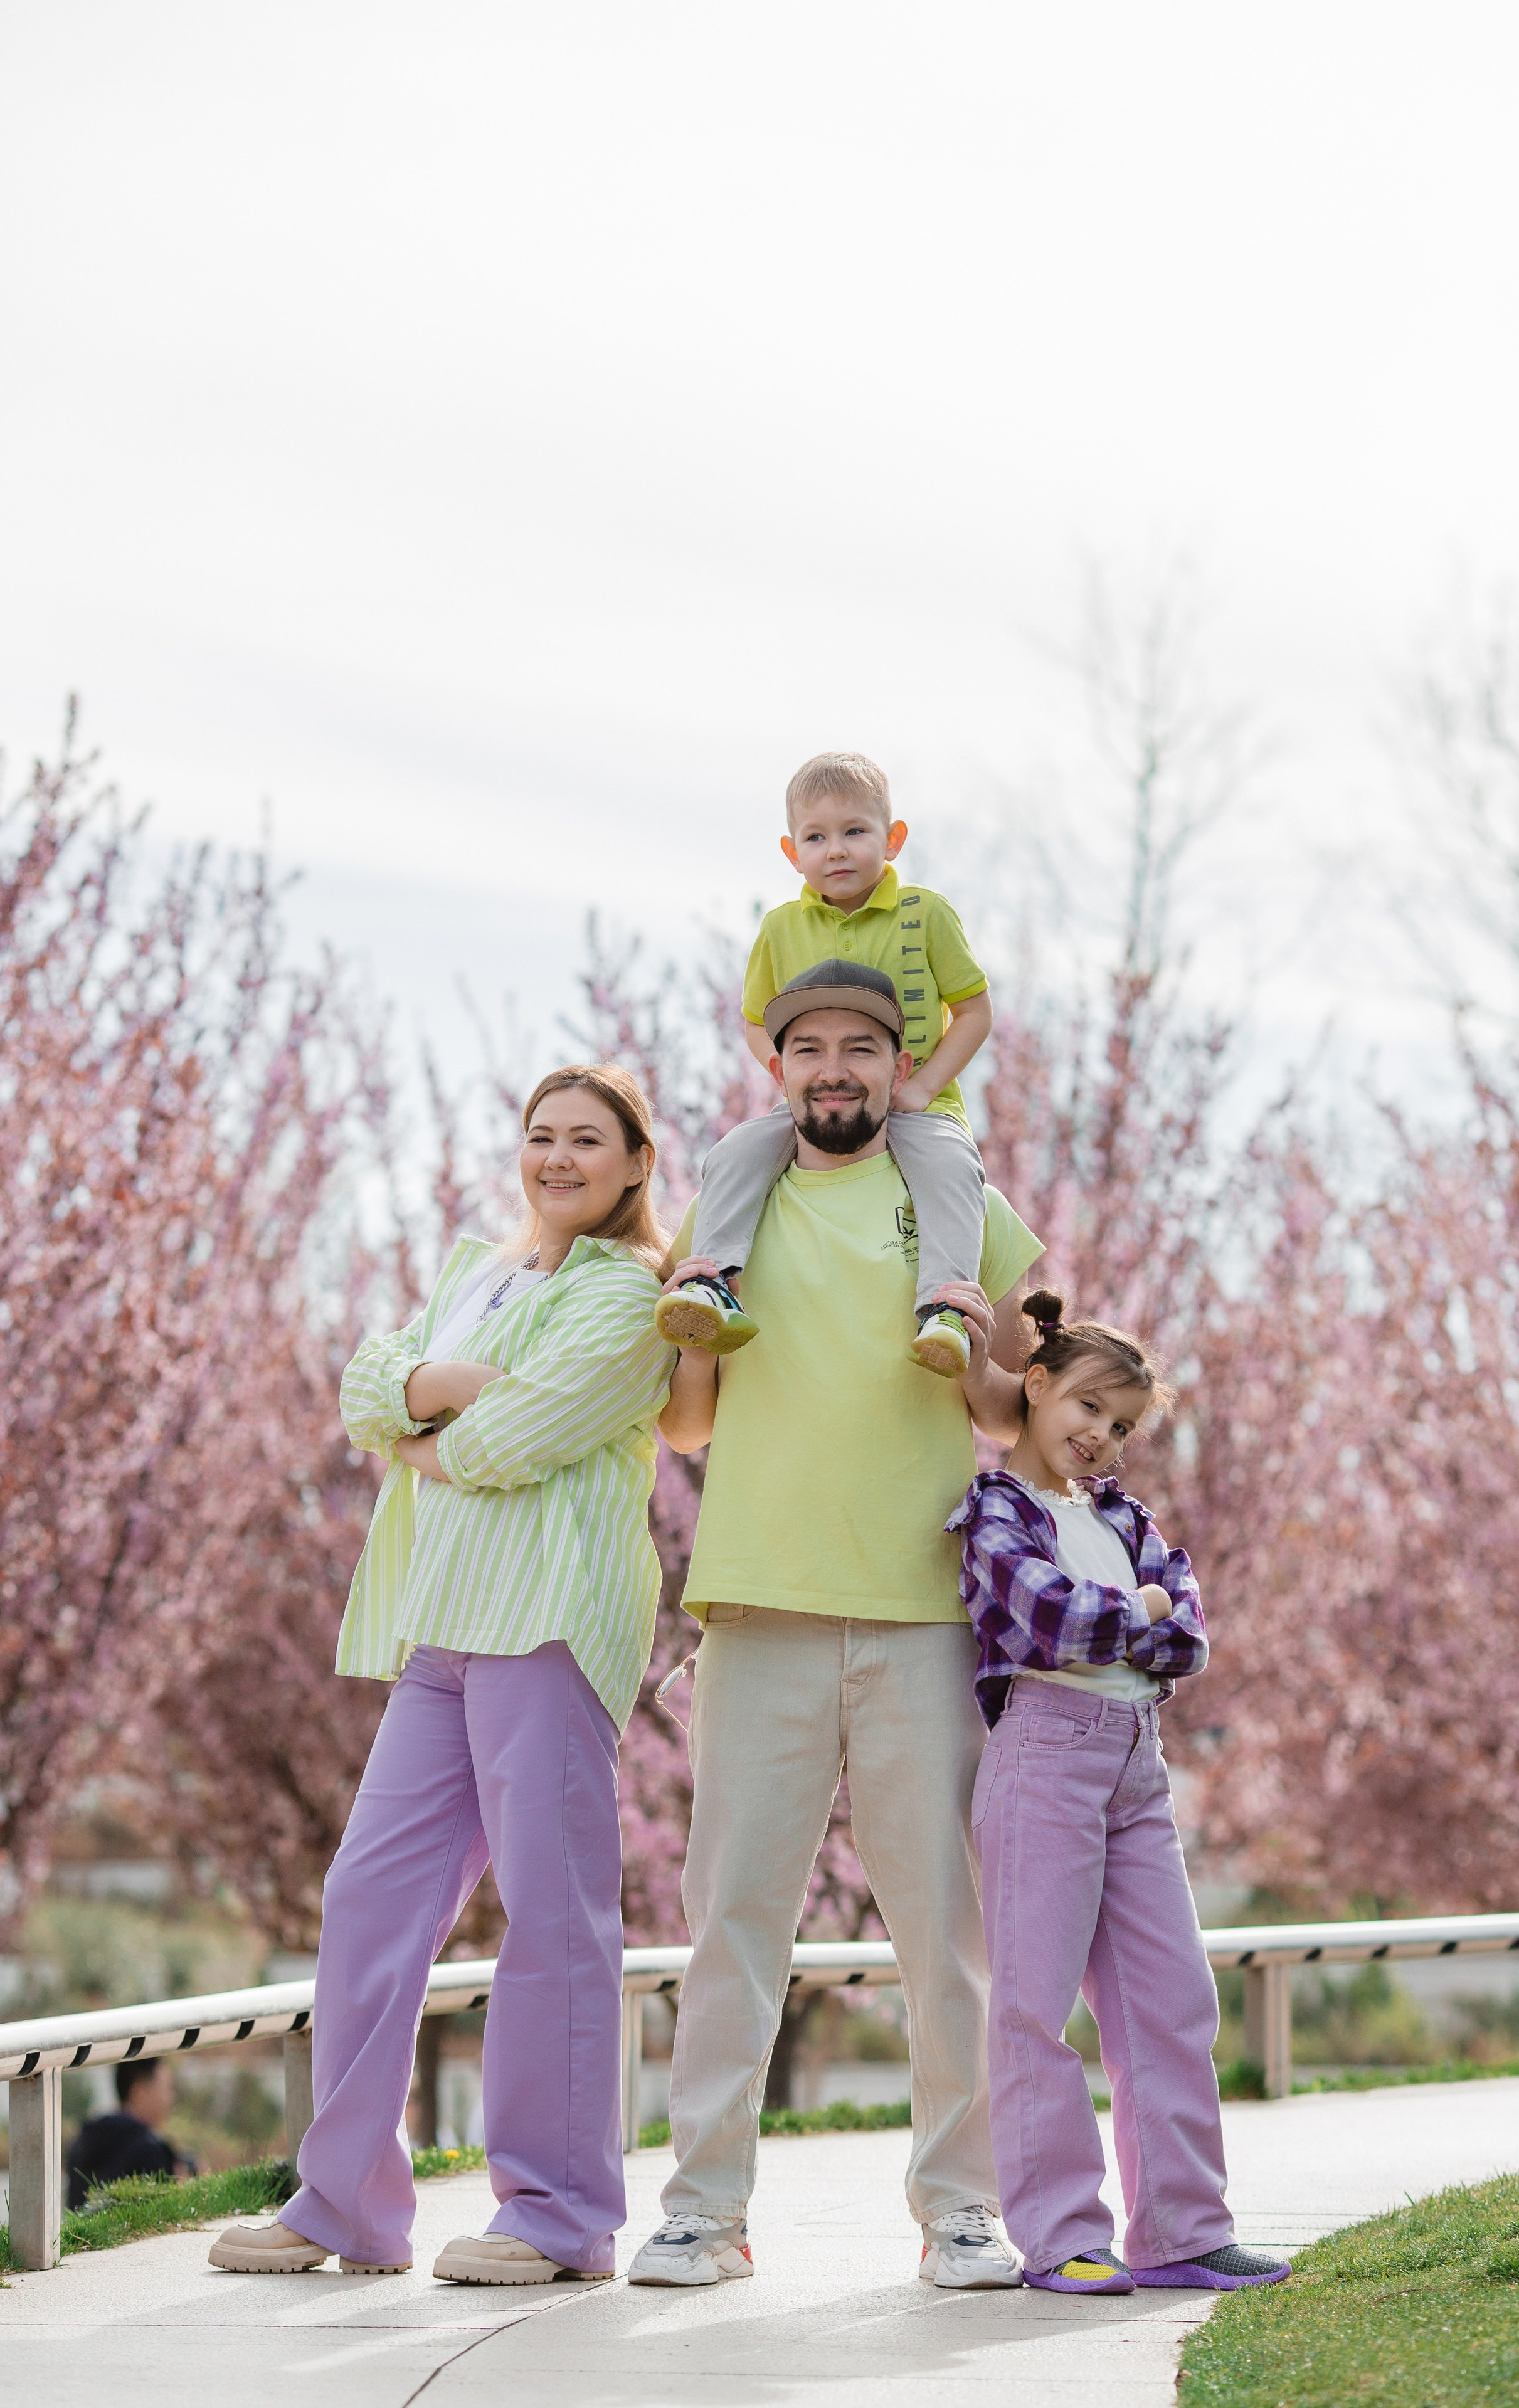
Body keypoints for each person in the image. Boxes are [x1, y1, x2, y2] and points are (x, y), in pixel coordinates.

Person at [209, 1065, 674, 2285]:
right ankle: (347, 2203)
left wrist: (434, 1420)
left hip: (551, 1623)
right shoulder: (478, 1269)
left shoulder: (634, 1294)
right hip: (444, 1627)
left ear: (635, 1161)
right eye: (540, 1136)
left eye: (588, 1139)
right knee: (367, 1901)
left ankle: (560, 2215)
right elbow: (366, 1390)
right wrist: (446, 1402)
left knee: (551, 1921)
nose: (558, 1157)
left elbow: (522, 1437)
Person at [628, 959, 1044, 2292]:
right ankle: (702, 2211)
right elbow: (687, 1424)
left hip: (923, 1612)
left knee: (943, 1933)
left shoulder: (953, 1192)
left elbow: (1007, 1408)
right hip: (757, 1606)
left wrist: (985, 1347)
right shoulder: (733, 1195)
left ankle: (961, 2211)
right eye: (808, 1046)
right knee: (732, 1926)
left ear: (895, 1059)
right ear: (780, 1066)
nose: (833, 1069)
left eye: (859, 1046)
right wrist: (689, 1327)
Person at [945, 1293, 1291, 2294]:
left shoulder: (1125, 1517)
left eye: (1123, 1425)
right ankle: (1061, 2234)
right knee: (1035, 2006)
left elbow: (1186, 1636)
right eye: (1088, 1407)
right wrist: (1134, 1608)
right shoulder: (997, 1507)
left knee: (1172, 1999)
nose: (1100, 1436)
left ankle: (1183, 2230)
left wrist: (1137, 1612)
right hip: (1044, 1757)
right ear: (1037, 1387)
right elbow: (1043, 1619)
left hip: (1138, 1763)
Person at [655, 751, 993, 1378]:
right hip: (813, 1108)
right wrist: (784, 1074)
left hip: (916, 1107)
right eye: (816, 837)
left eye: (855, 832)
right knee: (735, 1152)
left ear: (891, 840)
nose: (835, 850)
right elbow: (757, 1020)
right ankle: (711, 1281)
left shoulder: (924, 914)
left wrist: (921, 1087)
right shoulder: (781, 928)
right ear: (792, 853)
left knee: (949, 1166)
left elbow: (974, 1011)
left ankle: (945, 1309)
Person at [67, 2059, 196, 2209]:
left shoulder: (85, 2139)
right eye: (168, 2089)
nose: (172, 2099)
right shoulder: (150, 2152)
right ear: (140, 2092)